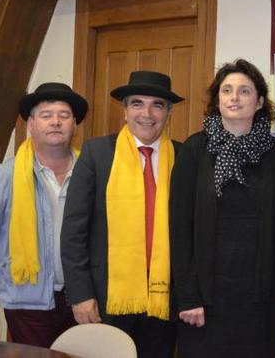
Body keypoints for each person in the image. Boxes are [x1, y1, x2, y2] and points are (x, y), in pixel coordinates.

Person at [170, 59, 275, 357]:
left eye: (244, 91)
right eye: (227, 90)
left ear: (259, 102)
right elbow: (179, 229)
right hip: (205, 301)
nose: (234, 97)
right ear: (217, 99)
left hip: (259, 299)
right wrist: (188, 296)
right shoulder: (195, 149)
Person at [61, 70, 183, 358]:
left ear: (169, 113)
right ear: (125, 110)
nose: (147, 113)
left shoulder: (183, 156)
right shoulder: (97, 154)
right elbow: (73, 231)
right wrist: (80, 295)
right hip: (107, 298)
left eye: (158, 105)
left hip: (163, 296)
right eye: (137, 103)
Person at [0, 82, 88, 347]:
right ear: (31, 125)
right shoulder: (3, 176)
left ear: (74, 124)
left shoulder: (91, 173)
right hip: (27, 303)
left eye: (64, 115)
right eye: (46, 115)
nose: (55, 121)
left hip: (83, 297)